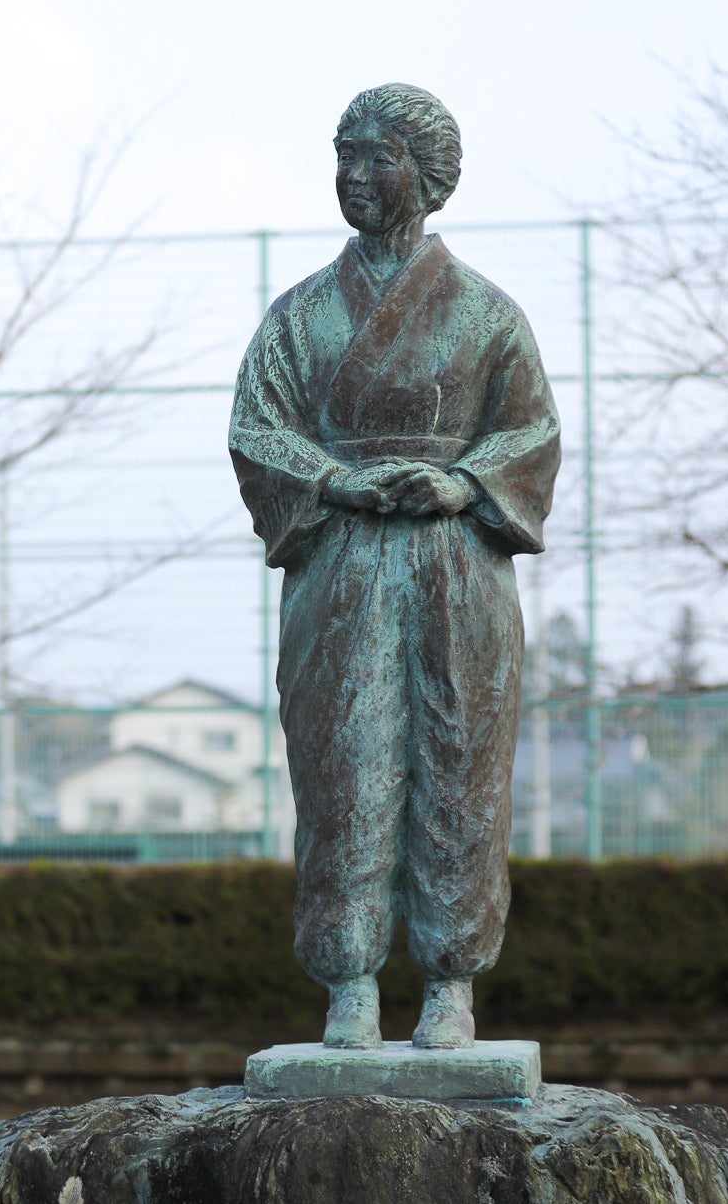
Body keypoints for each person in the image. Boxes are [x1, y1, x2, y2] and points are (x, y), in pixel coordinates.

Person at [229, 83, 560, 1050]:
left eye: (379, 158)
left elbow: (532, 431)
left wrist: (462, 483)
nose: (356, 176)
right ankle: (350, 980)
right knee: (344, 764)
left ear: (429, 174)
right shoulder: (300, 317)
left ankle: (452, 982)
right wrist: (337, 479)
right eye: (346, 156)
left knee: (459, 764)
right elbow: (257, 429)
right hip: (341, 560)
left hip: (457, 564)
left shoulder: (487, 314)